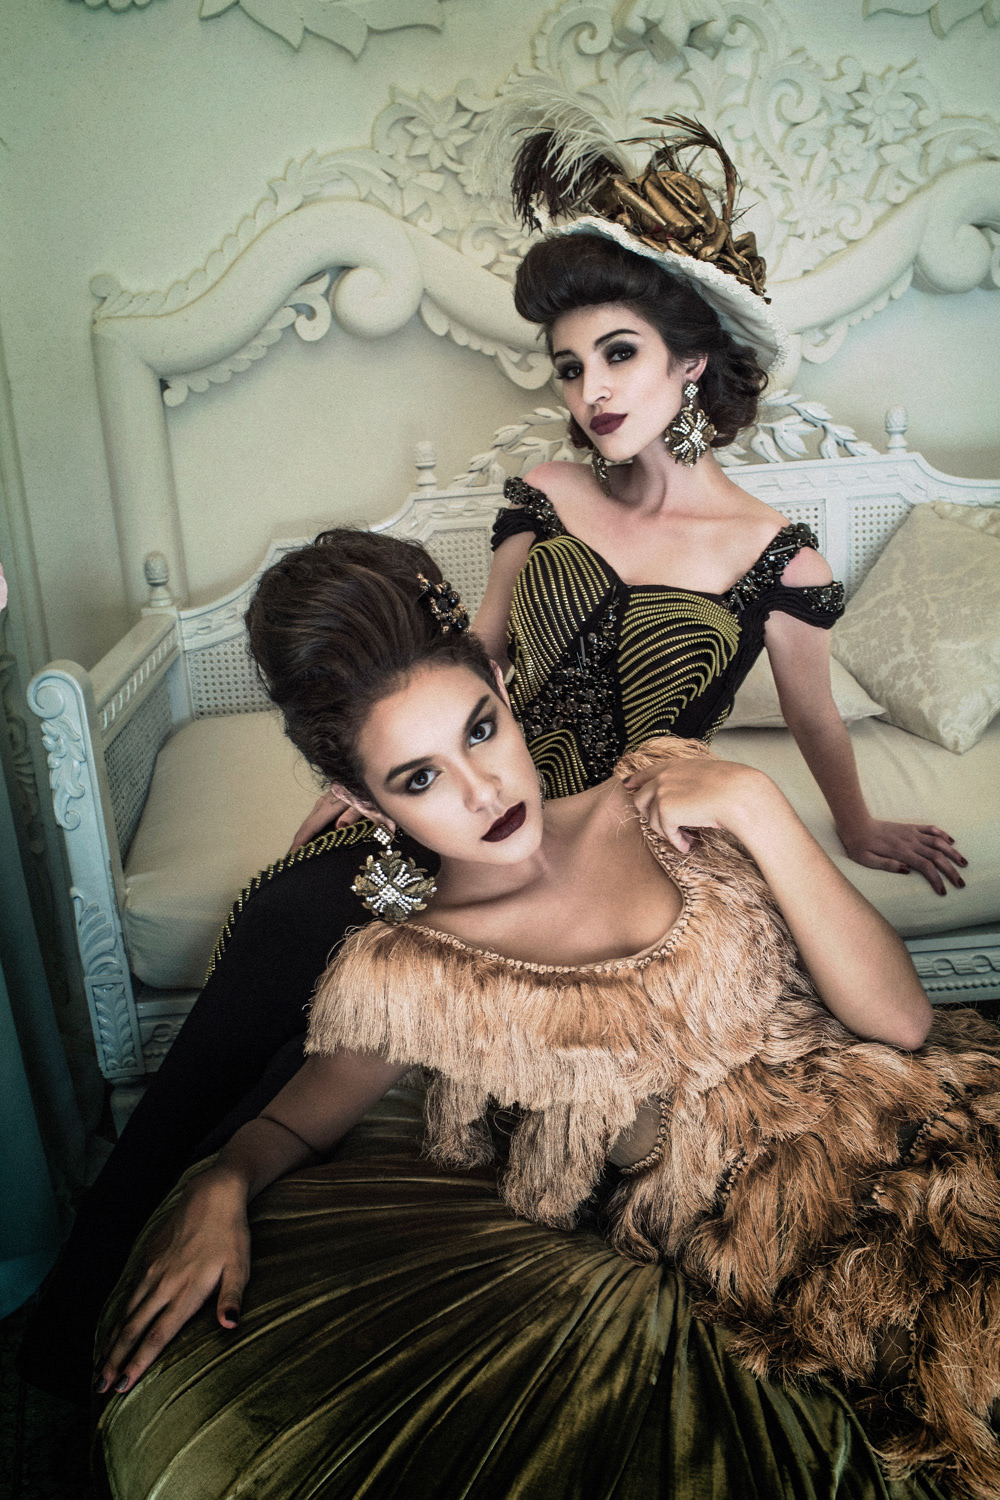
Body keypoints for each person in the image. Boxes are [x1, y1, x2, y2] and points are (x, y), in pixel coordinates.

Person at [16, 111, 963, 1402]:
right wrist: (374, 789)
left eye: (618, 355)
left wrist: (850, 824)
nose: (591, 393)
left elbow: (810, 718)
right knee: (290, 923)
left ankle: (219, 1178)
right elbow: (472, 658)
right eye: (570, 367)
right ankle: (102, 1272)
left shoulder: (775, 555)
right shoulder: (546, 492)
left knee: (353, 974)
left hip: (624, 828)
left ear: (691, 364)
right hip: (468, 818)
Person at [95, 530, 999, 1500]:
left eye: (480, 729)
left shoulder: (661, 791)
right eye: (419, 778)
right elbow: (292, 1125)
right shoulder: (416, 969)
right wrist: (224, 1181)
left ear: (502, 686)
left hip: (942, 1118)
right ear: (364, 801)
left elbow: (903, 1022)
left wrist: (759, 805)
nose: (481, 789)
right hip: (799, 1255)